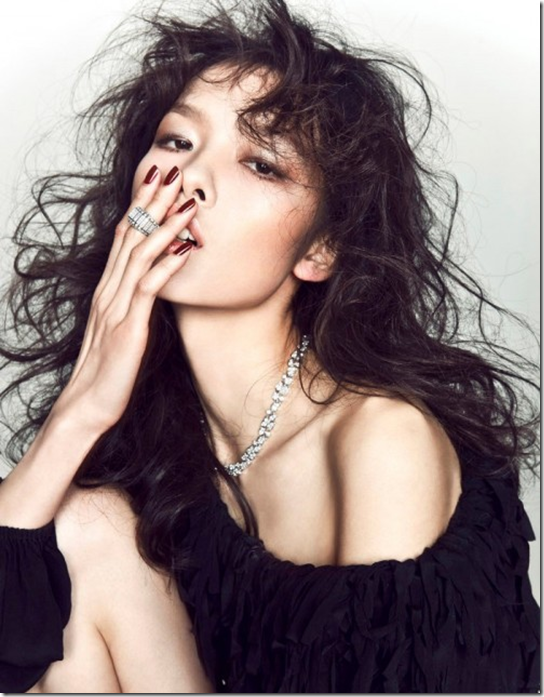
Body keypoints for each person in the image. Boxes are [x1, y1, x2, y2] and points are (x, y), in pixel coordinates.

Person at [0, 0, 539, 692]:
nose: (190, 179)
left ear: (319, 249)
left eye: (260, 164)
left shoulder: (379, 441)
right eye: (177, 141)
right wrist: (81, 409)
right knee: (80, 522)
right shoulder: (158, 447)